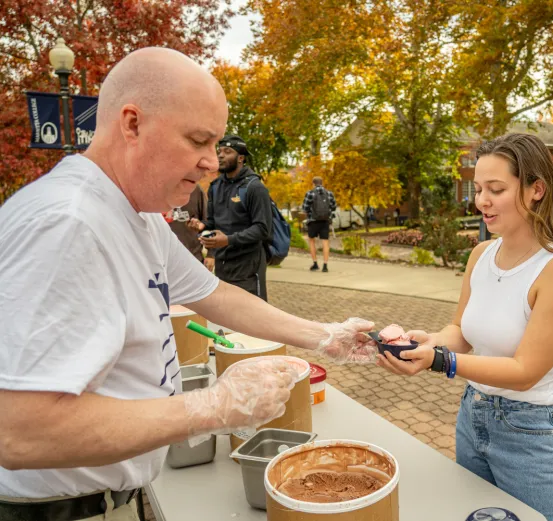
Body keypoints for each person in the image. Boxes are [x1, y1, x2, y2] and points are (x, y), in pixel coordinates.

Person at [0, 48, 376, 521]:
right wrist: (215, 407)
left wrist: (324, 335)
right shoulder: (68, 224)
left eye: (215, 144)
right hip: (58, 511)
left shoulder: (134, 214)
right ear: (132, 123)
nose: (210, 164)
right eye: (198, 141)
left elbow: (214, 294)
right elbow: (20, 433)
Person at [376, 133, 553, 521]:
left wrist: (440, 361)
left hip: (533, 435)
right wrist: (429, 341)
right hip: (472, 418)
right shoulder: (482, 254)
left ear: (536, 190)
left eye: (496, 189)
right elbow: (461, 331)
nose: (481, 201)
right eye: (478, 189)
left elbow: (525, 372)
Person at [188, 135, 272, 300]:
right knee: (227, 318)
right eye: (219, 151)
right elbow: (213, 222)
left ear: (240, 158)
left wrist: (228, 240)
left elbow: (263, 229)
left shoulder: (254, 187)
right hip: (223, 265)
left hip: (248, 266)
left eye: (227, 152)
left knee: (251, 317)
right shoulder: (215, 186)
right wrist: (202, 226)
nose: (220, 155)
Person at [165, 184, 208, 264]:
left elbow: (208, 222)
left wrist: (210, 254)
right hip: (164, 259)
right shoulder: (156, 190)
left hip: (193, 257)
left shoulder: (195, 190)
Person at [302, 176, 336, 272]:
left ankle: (315, 263)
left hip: (313, 221)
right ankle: (325, 266)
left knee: (312, 241)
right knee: (325, 242)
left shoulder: (309, 193)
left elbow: (305, 208)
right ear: (322, 183)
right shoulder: (329, 193)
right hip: (325, 221)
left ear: (313, 183)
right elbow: (333, 207)